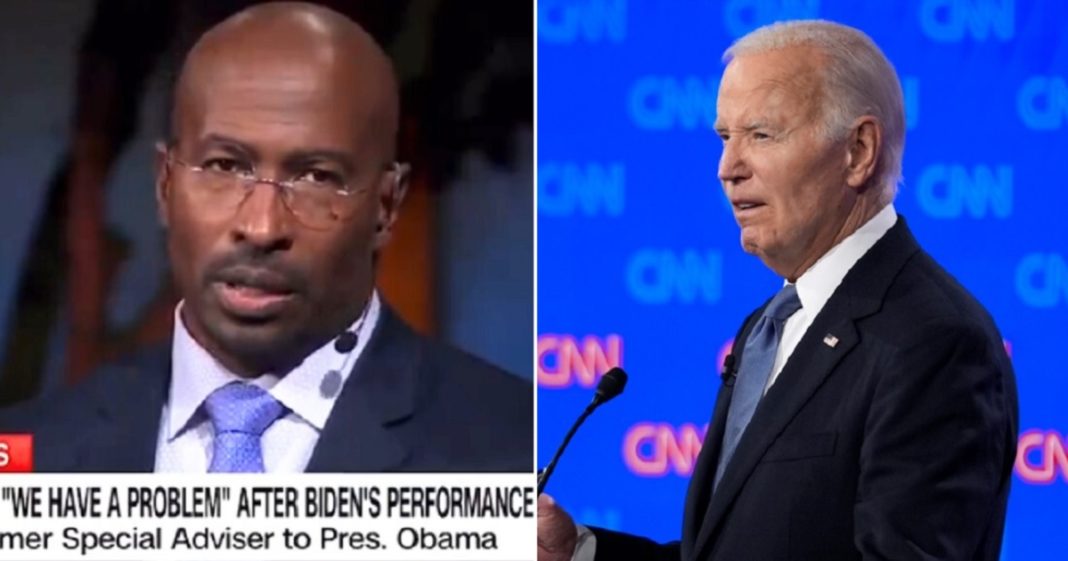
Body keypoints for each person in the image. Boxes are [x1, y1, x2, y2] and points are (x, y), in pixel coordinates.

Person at [538, 20, 1017, 561]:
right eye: (724, 138)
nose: (727, 169)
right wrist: (577, 553)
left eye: (761, 135)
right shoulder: (768, 325)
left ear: (858, 151)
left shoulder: (934, 341)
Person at [0, 2, 531, 473]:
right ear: (165, 185)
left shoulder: (519, 456)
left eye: (317, 178)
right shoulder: (30, 456)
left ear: (386, 205)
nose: (262, 227)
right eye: (224, 166)